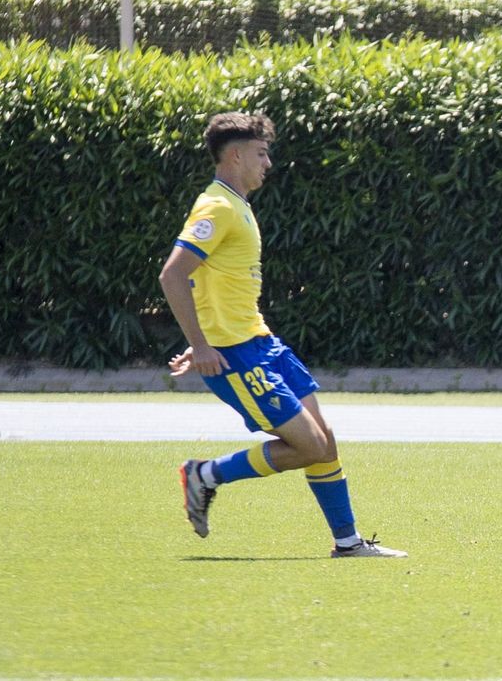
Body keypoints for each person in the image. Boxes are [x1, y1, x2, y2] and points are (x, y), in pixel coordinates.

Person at [159, 111, 406, 557]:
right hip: (237, 356)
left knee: (324, 441)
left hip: (263, 343)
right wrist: (201, 343)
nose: (267, 163)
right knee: (309, 446)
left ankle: (348, 543)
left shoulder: (237, 204)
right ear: (235, 156)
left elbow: (209, 283)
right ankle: (205, 475)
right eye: (261, 153)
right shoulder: (216, 206)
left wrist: (201, 334)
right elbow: (173, 275)